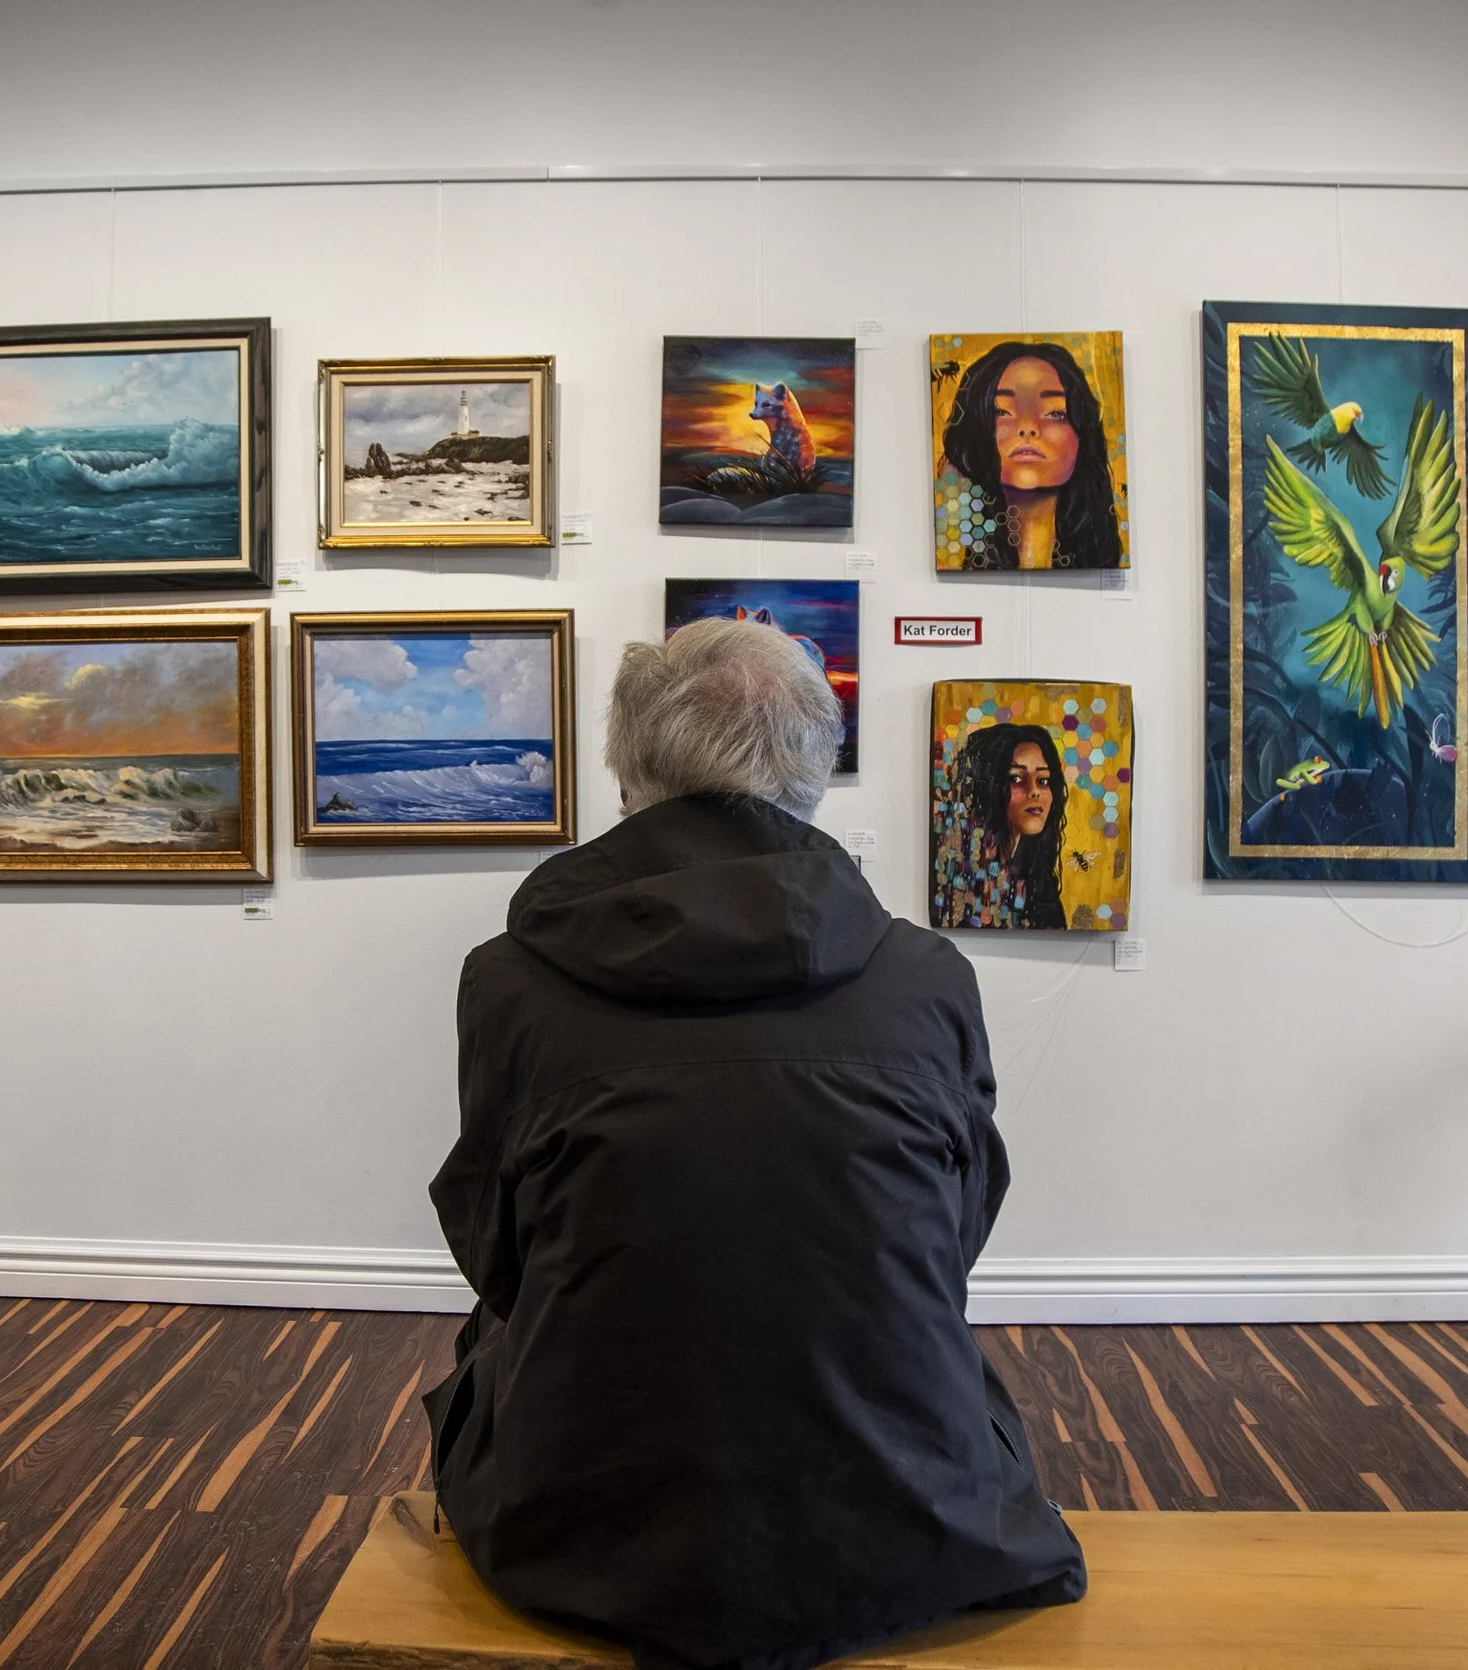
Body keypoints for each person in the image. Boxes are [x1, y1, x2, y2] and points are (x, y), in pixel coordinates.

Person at [426, 617, 1085, 1670]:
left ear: (626, 762)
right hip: (911, 1521)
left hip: (582, 1536)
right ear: (814, 766)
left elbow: (497, 1256)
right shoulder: (926, 975)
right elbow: (950, 1242)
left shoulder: (507, 977)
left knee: (490, 1339)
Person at [939, 340, 1123, 570]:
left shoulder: (1098, 560)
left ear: (1082, 438)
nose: (1028, 427)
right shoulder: (951, 552)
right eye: (1001, 410)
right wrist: (953, 510)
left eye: (1055, 413)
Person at [935, 722, 1071, 930]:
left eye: (1043, 780)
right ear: (986, 787)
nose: (1034, 791)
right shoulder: (960, 881)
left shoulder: (1036, 880)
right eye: (1015, 778)